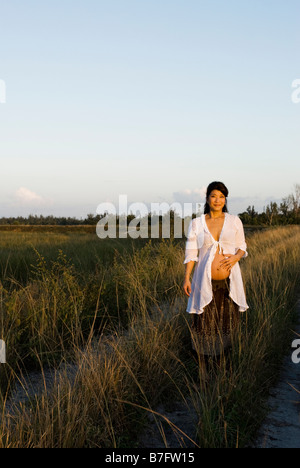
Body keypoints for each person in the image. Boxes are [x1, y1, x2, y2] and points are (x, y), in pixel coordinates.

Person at [183, 181, 249, 357]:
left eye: (221, 196)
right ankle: (204, 363)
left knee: (226, 321)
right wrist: (187, 277)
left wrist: (235, 257)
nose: (217, 200)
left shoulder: (234, 221)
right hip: (204, 282)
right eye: (214, 196)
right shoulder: (197, 223)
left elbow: (242, 246)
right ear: (207, 198)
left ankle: (224, 364)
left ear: (225, 199)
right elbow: (191, 253)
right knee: (204, 322)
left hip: (229, 282)